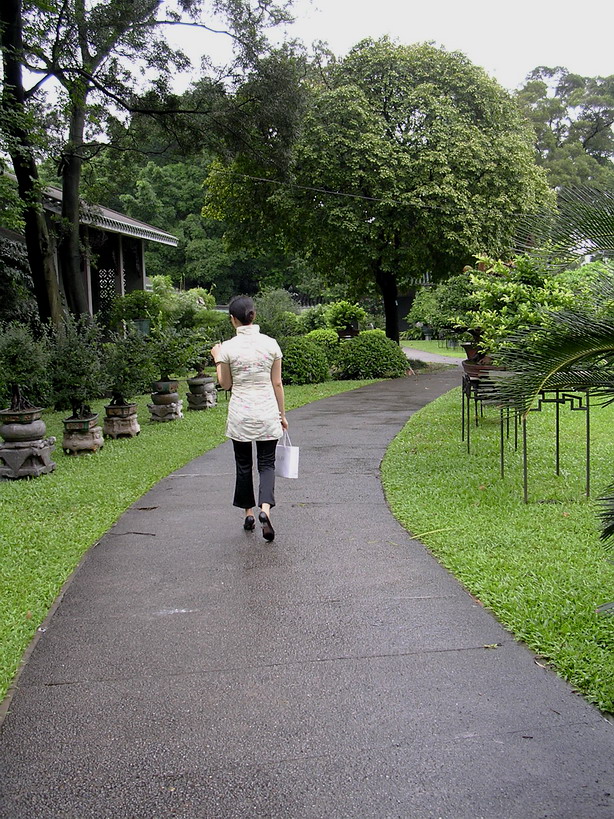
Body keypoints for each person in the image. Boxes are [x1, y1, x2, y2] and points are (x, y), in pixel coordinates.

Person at [211, 296, 288, 542]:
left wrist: (217, 358)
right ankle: (265, 509)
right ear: (253, 316)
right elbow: (277, 382)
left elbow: (225, 384)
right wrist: (282, 415)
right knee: (267, 464)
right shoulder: (271, 344)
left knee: (243, 465)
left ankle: (249, 514)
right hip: (266, 413)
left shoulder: (228, 348)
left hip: (241, 415)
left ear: (233, 319)